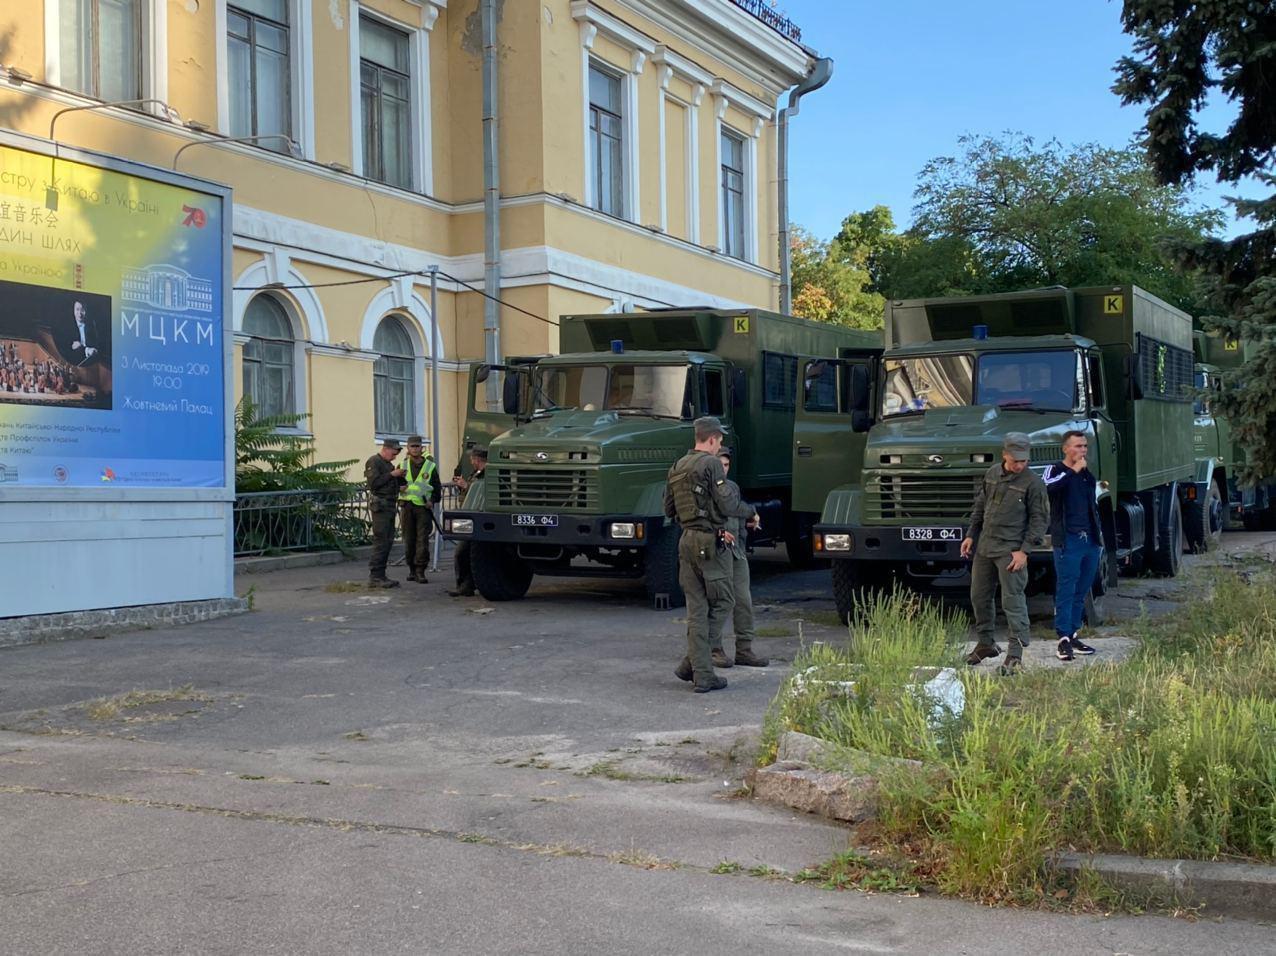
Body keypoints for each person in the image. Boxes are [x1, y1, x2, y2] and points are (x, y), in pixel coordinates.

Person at [663, 416, 749, 693]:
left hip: (685, 539)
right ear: (712, 439)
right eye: (720, 441)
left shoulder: (678, 466)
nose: (719, 445)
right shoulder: (711, 464)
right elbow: (728, 504)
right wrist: (750, 512)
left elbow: (669, 509)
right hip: (710, 542)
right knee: (724, 600)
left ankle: (698, 671)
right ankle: (696, 664)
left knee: (697, 608)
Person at [960, 432, 1049, 675]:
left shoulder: (1033, 483)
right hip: (985, 547)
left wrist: (1024, 552)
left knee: (1013, 601)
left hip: (1011, 550)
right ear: (1005, 455)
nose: (1019, 465)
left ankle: (1015, 654)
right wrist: (970, 534)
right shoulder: (991, 474)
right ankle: (986, 643)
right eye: (1015, 460)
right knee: (979, 596)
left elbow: (1039, 520)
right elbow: (981, 506)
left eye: (1023, 461)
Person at [704, 449, 768, 670]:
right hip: (715, 550)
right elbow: (697, 521)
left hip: (735, 550)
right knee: (721, 600)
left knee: (743, 600)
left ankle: (744, 648)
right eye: (719, 464)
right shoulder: (705, 490)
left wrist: (750, 521)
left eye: (727, 465)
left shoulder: (732, 488)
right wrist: (717, 534)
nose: (723, 468)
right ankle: (714, 648)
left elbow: (739, 517)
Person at [1043, 431, 1102, 661]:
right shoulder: (1055, 470)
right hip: (1068, 539)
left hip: (1090, 539)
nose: (1083, 451)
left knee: (1082, 587)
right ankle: (1062, 638)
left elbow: (1093, 504)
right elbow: (1049, 488)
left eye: (1085, 446)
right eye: (1078, 446)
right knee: (1066, 588)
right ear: (1066, 448)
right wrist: (1072, 470)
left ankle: (1074, 633)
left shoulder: (1087, 475)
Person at [398, 435, 442, 584]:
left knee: (422, 540)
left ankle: (420, 570)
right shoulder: (402, 465)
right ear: (408, 448)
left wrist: (432, 500)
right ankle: (411, 569)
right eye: (412, 446)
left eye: (418, 446)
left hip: (423, 508)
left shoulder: (430, 466)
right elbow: (394, 485)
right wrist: (399, 488)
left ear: (422, 448)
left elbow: (437, 488)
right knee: (409, 539)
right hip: (407, 506)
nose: (415, 449)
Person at [365, 438, 406, 588]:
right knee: (381, 540)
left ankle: (380, 575)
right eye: (393, 453)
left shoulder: (388, 464)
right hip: (381, 506)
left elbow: (389, 483)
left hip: (389, 505)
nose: (394, 457)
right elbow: (374, 484)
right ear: (386, 449)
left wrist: (400, 481)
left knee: (388, 540)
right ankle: (375, 575)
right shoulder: (374, 462)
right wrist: (393, 475)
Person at [448, 447, 487, 597]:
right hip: (469, 515)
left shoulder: (488, 474)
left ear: (477, 459)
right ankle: (466, 586)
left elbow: (484, 492)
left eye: (472, 459)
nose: (471, 462)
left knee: (462, 552)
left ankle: (466, 586)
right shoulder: (476, 474)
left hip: (477, 516)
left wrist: (466, 486)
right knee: (466, 553)